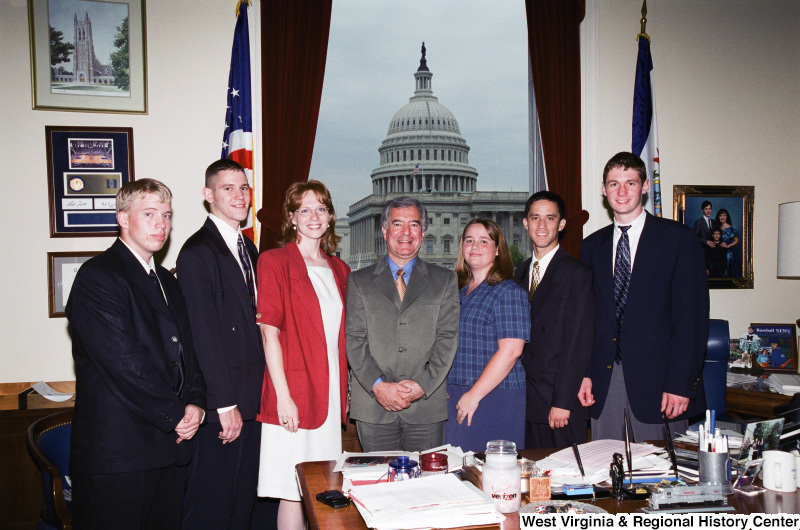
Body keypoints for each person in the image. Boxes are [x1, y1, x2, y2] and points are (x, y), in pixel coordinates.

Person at [65, 179, 206, 529]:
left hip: (169, 446)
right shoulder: (98, 276)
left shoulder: (166, 280)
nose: (162, 224)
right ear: (123, 219)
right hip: (119, 453)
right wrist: (176, 414)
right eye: (149, 214)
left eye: (167, 215)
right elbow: (124, 364)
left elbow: (190, 352)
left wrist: (196, 403)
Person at [578, 152, 708, 442]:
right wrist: (585, 374)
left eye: (630, 183)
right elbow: (588, 320)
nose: (621, 192)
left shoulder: (679, 240)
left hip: (662, 385)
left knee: (661, 479)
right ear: (603, 189)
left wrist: (681, 384)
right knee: (606, 475)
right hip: (604, 382)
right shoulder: (591, 246)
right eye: (614, 184)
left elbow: (692, 320)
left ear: (645, 186)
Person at [255, 180, 350, 530]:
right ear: (292, 217)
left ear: (330, 217)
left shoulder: (340, 270)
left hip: (330, 394)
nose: (313, 216)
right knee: (291, 490)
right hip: (293, 393)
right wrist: (283, 397)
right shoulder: (274, 261)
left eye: (320, 208)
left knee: (324, 486)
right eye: (304, 209)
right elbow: (269, 333)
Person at [177, 160, 263, 529]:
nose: (239, 195)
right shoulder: (197, 252)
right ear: (208, 195)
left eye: (243, 187)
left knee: (244, 504)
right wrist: (224, 402)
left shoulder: (249, 248)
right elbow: (203, 335)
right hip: (222, 404)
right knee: (212, 507)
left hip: (254, 399)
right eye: (228, 188)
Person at [347, 196, 460, 452]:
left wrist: (422, 385)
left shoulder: (444, 280)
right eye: (398, 224)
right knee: (377, 487)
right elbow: (354, 340)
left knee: (425, 487)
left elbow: (447, 340)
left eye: (414, 224)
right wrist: (378, 386)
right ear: (385, 231)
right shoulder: (359, 281)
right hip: (374, 405)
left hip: (425, 406)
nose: (406, 232)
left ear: (423, 231)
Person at [513, 191, 595, 449]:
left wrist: (562, 401)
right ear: (525, 223)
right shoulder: (518, 273)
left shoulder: (578, 274)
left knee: (565, 482)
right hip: (524, 402)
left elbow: (578, 344)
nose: (541, 225)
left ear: (561, 224)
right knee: (529, 482)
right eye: (535, 218)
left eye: (550, 218)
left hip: (560, 404)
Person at [444, 219, 529, 452]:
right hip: (458, 393)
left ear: (498, 249)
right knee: (458, 472)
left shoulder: (508, 291)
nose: (475, 247)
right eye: (469, 241)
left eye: (484, 241)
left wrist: (474, 395)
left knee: (488, 476)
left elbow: (511, 351)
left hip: (493, 396)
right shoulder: (458, 292)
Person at [715, 208, 740, 277]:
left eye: (724, 215)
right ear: (718, 216)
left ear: (727, 217)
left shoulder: (730, 228)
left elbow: (737, 240)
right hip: (719, 252)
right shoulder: (717, 227)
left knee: (728, 272)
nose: (722, 217)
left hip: (727, 253)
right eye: (720, 215)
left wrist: (728, 246)